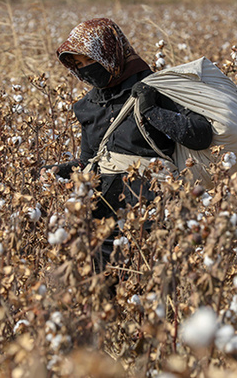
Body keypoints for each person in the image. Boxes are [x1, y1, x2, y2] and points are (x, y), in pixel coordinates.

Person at [42, 18, 213, 268]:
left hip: (152, 208)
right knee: (104, 287)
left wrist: (152, 110)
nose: (86, 69)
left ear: (110, 52)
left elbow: (201, 135)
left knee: (152, 279)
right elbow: (90, 161)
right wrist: (59, 171)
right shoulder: (88, 106)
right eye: (78, 65)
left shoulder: (155, 87)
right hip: (102, 214)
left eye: (90, 59)